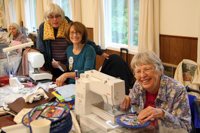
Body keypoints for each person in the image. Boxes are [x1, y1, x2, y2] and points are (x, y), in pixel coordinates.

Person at [120, 50, 192, 132]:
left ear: (160, 71)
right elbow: (132, 114)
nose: (142, 75)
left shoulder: (177, 90)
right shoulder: (139, 85)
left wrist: (163, 114)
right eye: (138, 71)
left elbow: (185, 129)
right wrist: (126, 103)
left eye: (147, 69)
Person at [36, 3, 108, 79]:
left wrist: (100, 51)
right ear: (47, 18)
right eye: (51, 17)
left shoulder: (68, 24)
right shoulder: (43, 27)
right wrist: (46, 68)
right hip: (52, 67)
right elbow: (41, 49)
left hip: (67, 66)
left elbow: (83, 38)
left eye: (57, 16)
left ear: (61, 15)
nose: (55, 19)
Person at [54, 21, 96, 86]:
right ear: (68, 34)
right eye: (72, 32)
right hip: (71, 85)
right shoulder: (69, 49)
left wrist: (66, 75)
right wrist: (60, 65)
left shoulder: (89, 50)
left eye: (78, 32)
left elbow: (87, 72)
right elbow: (69, 68)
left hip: (85, 85)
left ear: (83, 34)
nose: (74, 35)